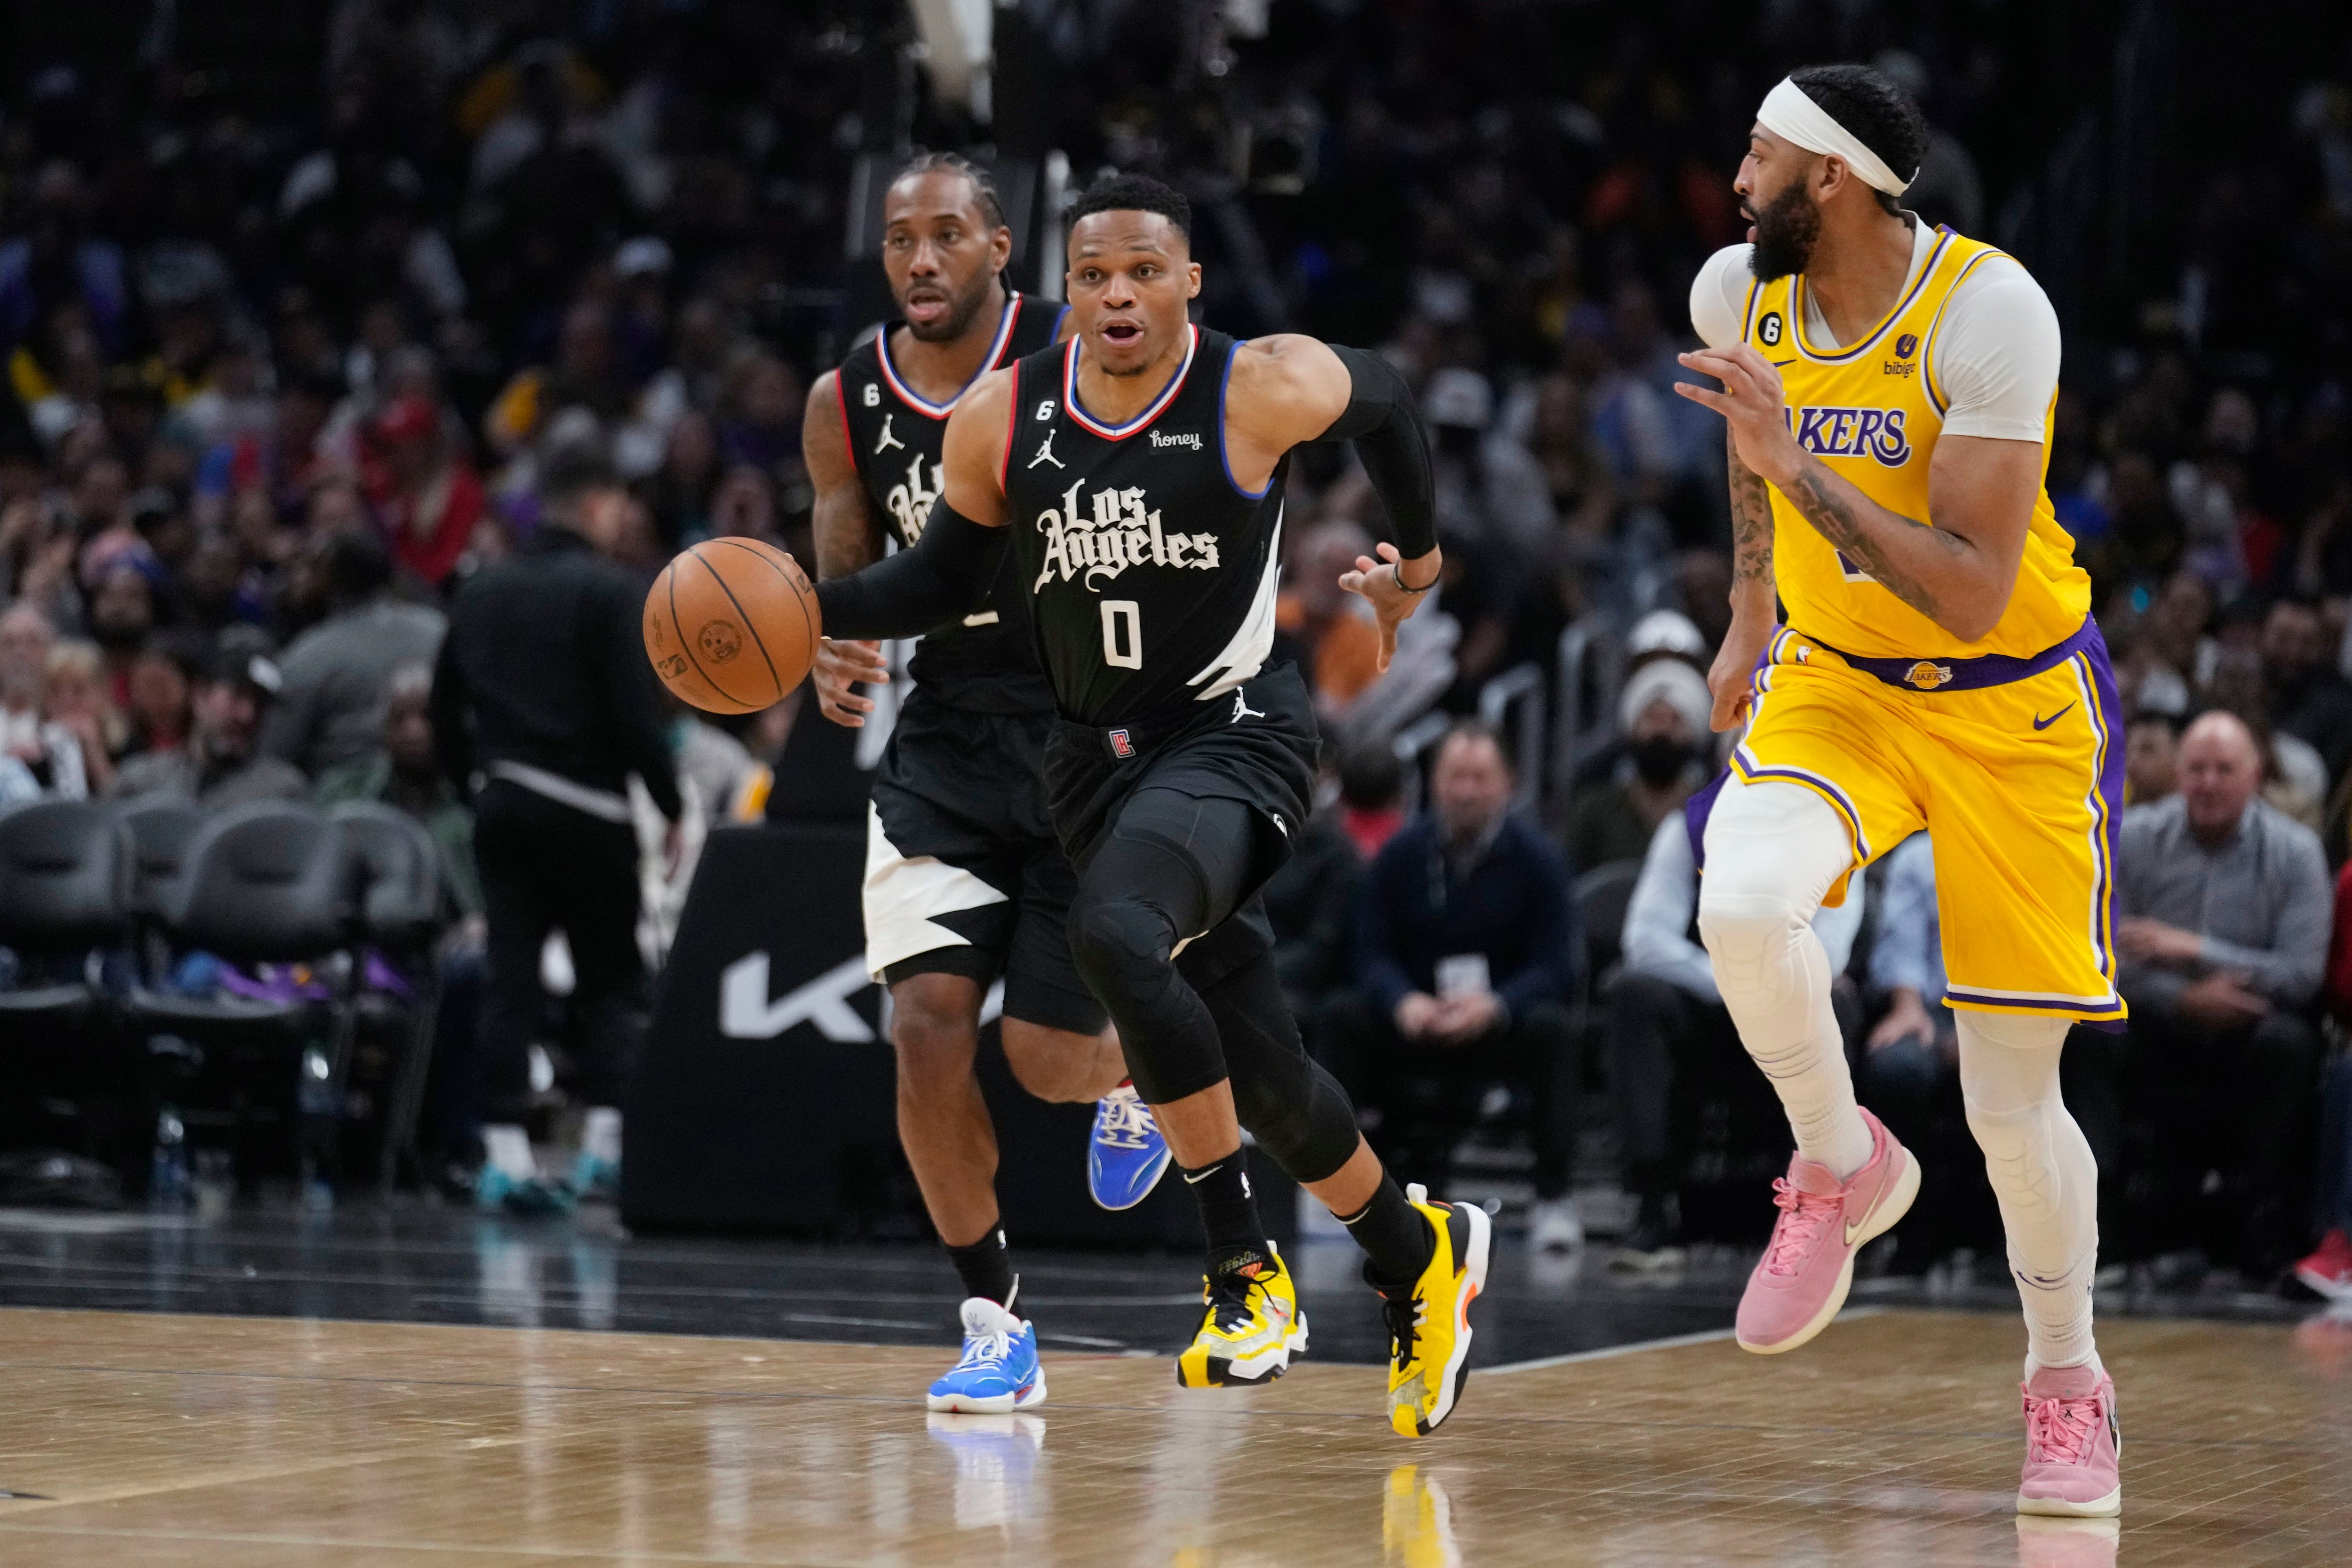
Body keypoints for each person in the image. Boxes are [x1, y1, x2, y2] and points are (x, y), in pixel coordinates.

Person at [813, 173, 1488, 1439]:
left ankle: (1244, 1276)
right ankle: (1419, 1252)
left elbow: (1388, 397)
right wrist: (812, 607)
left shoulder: (1257, 383)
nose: (1118, 293)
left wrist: (1421, 559)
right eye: (1096, 276)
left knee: (1118, 935)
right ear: (1067, 292)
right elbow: (938, 578)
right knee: (1269, 1081)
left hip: (1235, 734)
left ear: (1188, 282)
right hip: (1091, 761)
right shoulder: (1005, 418)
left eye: (1143, 271)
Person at [1678, 64, 2122, 1513]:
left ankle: (2064, 1377)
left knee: (2007, 1102)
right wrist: (1750, 607)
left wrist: (1798, 471)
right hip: (1837, 681)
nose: (1734, 182)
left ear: (1835, 180)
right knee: (1738, 903)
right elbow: (1745, 455)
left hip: (2006, 703)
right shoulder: (1733, 291)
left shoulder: (1992, 313)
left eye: (1757, 159)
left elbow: (1972, 592)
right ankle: (1836, 1157)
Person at [802, 153, 1160, 1413]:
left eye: (948, 234)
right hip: (945, 742)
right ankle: (995, 1318)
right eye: (902, 238)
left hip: (1081, 725)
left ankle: (1127, 1075)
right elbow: (846, 542)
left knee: (1050, 1058)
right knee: (924, 1031)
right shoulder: (846, 393)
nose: (920, 258)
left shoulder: (1082, 352)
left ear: (1001, 250)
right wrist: (837, 636)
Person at [430, 445, 682, 1213]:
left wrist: (472, 784)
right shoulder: (611, 590)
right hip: (590, 808)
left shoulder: (481, 591)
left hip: (504, 796)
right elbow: (634, 717)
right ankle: (601, 1152)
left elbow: (443, 709)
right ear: (600, 504)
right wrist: (669, 802)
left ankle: (506, 1153)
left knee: (512, 976)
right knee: (612, 980)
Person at [2111, 711, 2330, 1275]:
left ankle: (2264, 1220)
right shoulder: (2132, 838)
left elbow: (2302, 976)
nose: (2208, 783)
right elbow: (2098, 954)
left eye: (2224, 770)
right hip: (2157, 1022)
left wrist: (2194, 948)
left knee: (2290, 1042)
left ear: (2254, 775)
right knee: (2088, 1030)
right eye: (2196, 769)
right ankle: (2098, 1220)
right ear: (2178, 774)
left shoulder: (2297, 852)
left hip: (2248, 1029)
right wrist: (2179, 998)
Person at [1351, 722, 1583, 1249]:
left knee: (1556, 1031)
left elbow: (1556, 965)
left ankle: (1553, 1197)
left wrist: (1497, 1005)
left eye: (1480, 777)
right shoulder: (1399, 856)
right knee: (1342, 1017)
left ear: (1508, 783)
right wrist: (1401, 1000)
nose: (1466, 791)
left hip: (1499, 1021)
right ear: (1433, 783)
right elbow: (1368, 951)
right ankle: (1347, 1193)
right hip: (1417, 1017)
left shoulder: (1540, 860)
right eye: (1456, 777)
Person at [1607, 811, 1865, 1270]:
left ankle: (1810, 1211)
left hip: (1789, 1013)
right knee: (1634, 994)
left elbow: (1827, 953)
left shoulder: (1835, 833)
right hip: (1708, 1008)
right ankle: (1653, 1206)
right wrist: (1734, 984)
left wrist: (1761, 987)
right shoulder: (1687, 828)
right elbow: (1644, 940)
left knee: (1837, 1004)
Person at [261, 528, 446, 778]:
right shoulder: (437, 629)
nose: (300, 578)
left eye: (312, 569)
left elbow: (274, 756)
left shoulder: (309, 656)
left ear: (331, 578)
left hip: (339, 801)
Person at [110, 626, 307, 809]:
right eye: (238, 696)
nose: (248, 715)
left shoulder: (281, 791)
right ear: (200, 696)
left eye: (261, 705)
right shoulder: (141, 781)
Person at [1557, 656, 1711, 872]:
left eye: (1675, 720)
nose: (1662, 732)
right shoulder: (1596, 811)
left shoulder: (1716, 813)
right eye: (1652, 719)